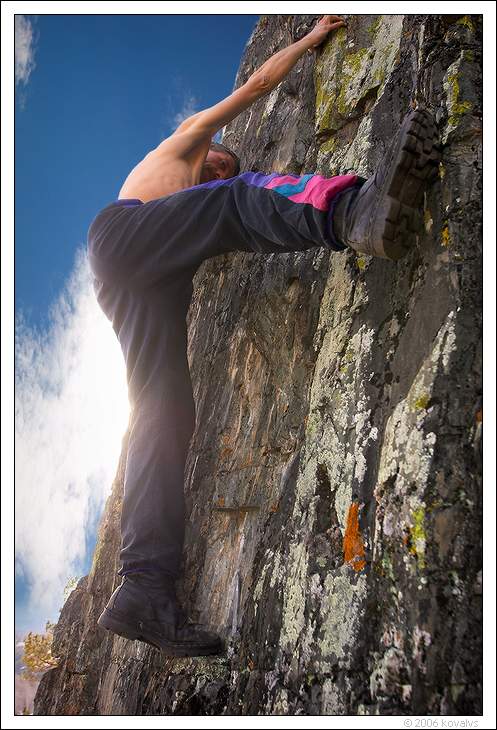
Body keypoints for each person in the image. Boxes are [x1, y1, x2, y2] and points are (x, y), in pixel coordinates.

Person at [87, 15, 439, 657]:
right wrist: (310, 39)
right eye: (221, 164)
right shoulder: (185, 147)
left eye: (221, 169)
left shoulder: (178, 218)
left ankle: (142, 588)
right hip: (121, 239)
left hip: (133, 282)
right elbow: (253, 90)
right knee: (238, 202)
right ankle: (354, 210)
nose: (219, 170)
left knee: (163, 416)